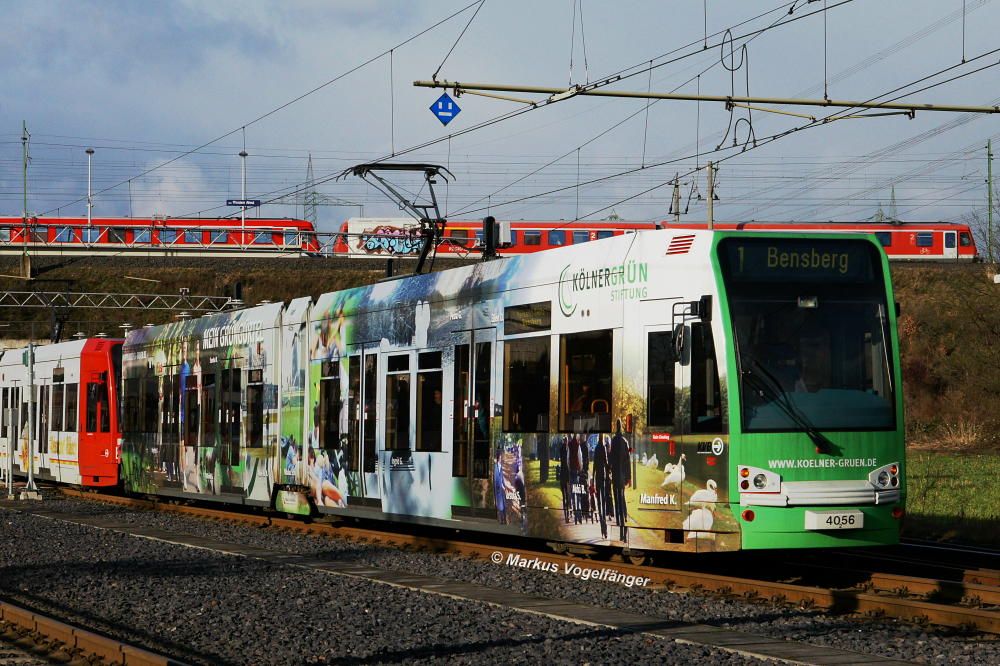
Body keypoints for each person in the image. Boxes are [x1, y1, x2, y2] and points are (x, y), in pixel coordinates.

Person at [609, 419, 631, 542]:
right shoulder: (625, 442)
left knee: (616, 499)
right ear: (622, 427)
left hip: (616, 475)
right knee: (621, 497)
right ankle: (623, 527)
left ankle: (619, 521)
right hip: (622, 476)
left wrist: (609, 469)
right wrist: (629, 477)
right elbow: (627, 461)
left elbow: (611, 458)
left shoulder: (614, 441)